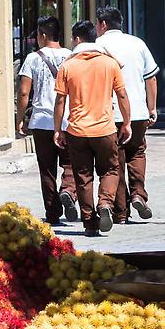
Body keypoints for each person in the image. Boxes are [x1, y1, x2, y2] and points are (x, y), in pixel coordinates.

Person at [53, 20, 132, 237]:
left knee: (82, 176)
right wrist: (126, 122)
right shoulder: (109, 64)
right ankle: (105, 203)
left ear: (77, 39)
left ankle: (89, 223)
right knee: (111, 169)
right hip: (105, 129)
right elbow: (122, 95)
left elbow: (60, 101)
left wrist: (58, 129)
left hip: (77, 131)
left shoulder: (67, 66)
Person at [95, 5, 159, 224]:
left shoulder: (97, 46)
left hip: (110, 113)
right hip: (138, 111)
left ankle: (120, 213)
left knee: (115, 161)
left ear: (103, 24)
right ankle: (139, 195)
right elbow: (151, 78)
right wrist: (152, 107)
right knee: (137, 153)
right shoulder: (137, 43)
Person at [16, 16, 78, 226]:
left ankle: (53, 214)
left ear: (43, 35)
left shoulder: (33, 59)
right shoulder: (72, 57)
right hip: (69, 120)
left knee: (47, 169)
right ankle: (69, 190)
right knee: (72, 163)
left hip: (42, 121)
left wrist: (20, 118)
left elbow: (24, 92)